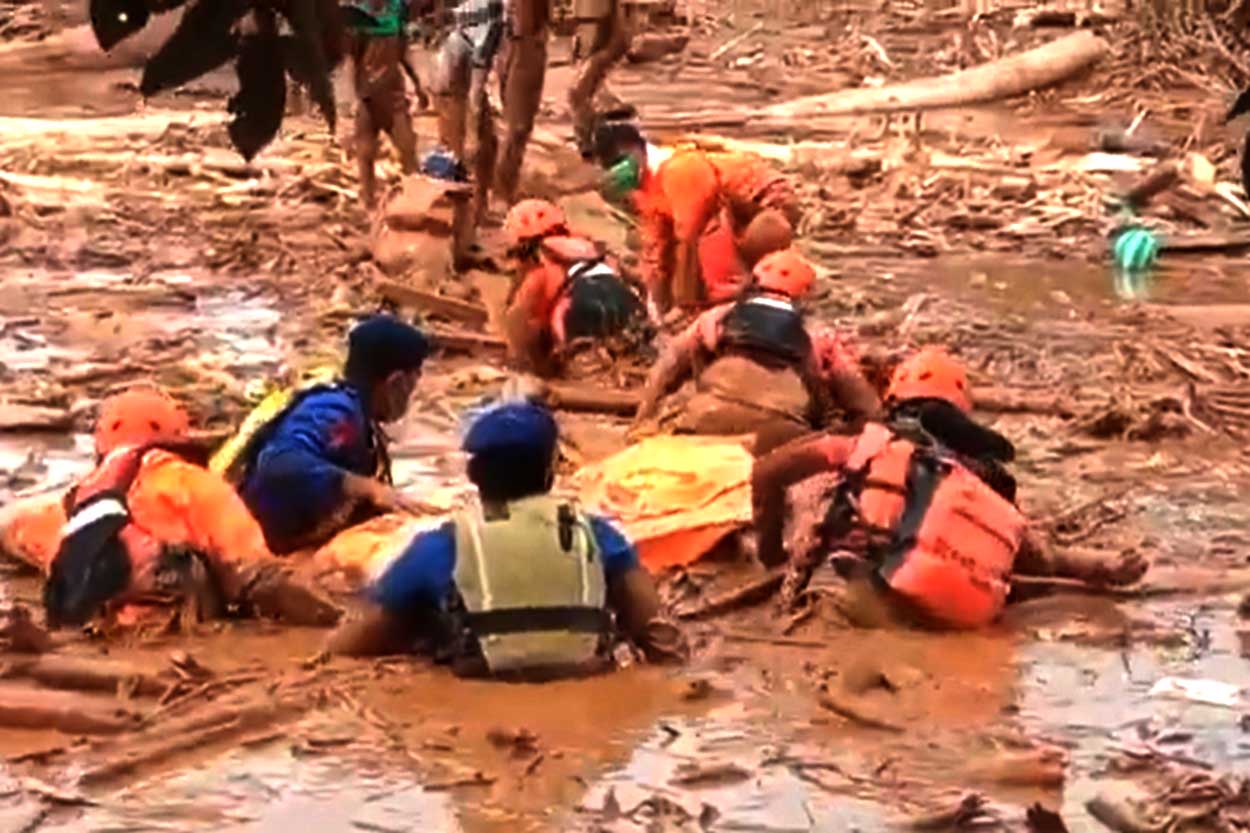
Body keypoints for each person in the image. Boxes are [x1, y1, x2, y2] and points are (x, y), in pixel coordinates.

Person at [750, 348, 1149, 628]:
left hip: (859, 600)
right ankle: (1099, 565)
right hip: (944, 613)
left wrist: (770, 553)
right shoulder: (986, 477)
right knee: (1037, 550)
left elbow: (768, 473)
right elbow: (1031, 553)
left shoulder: (863, 443)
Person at [328, 400, 685, 677]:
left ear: (472, 475)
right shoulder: (599, 536)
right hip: (587, 680)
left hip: (478, 682)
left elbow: (352, 644)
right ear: (551, 470)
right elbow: (657, 633)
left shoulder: (441, 546)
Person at [44, 388, 339, 629]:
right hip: (164, 627)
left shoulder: (77, 497)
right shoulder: (189, 482)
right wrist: (336, 616)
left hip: (86, 622)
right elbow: (257, 575)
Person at [215, 315, 433, 554]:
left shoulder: (358, 410)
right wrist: (363, 486)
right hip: (254, 542)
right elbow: (278, 460)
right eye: (414, 381)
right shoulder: (336, 412)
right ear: (396, 382)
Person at [634, 248, 880, 437]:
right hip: (780, 431)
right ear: (805, 296)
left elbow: (666, 369)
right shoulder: (818, 337)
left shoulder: (714, 320)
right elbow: (865, 404)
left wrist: (640, 422)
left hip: (706, 416)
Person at [590, 118, 801, 313]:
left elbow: (691, 232)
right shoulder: (648, 190)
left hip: (765, 207)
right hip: (729, 218)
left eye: (617, 162)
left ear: (634, 149)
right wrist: (654, 301)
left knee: (707, 236)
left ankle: (737, 297)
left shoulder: (681, 169)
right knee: (679, 254)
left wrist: (684, 303)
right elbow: (656, 247)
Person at [501, 199, 645, 375]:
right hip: (625, 300)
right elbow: (636, 283)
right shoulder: (592, 248)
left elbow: (521, 322)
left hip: (577, 307)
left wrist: (521, 360)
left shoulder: (540, 269)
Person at [432, 0, 506, 222]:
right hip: (452, 89)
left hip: (455, 78)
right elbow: (475, 87)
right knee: (459, 154)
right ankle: (457, 214)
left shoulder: (486, 14)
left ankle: (478, 208)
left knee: (487, 147)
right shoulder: (491, 28)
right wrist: (472, 134)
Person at [345, 0, 421, 206]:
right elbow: (353, 57)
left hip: (393, 94)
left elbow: (403, 53)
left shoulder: (397, 10)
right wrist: (357, 95)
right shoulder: (359, 15)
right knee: (365, 152)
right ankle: (368, 202)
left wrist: (418, 85)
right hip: (368, 95)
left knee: (407, 149)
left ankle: (414, 201)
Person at [495, 0, 550, 206]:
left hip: (517, 44)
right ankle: (503, 191)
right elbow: (526, 22)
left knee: (517, 127)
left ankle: (505, 186)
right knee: (518, 128)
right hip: (522, 45)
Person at [568, 0, 630, 153]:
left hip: (597, 32)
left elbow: (618, 27)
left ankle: (592, 144)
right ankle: (592, 142)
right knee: (585, 94)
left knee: (579, 93)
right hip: (589, 33)